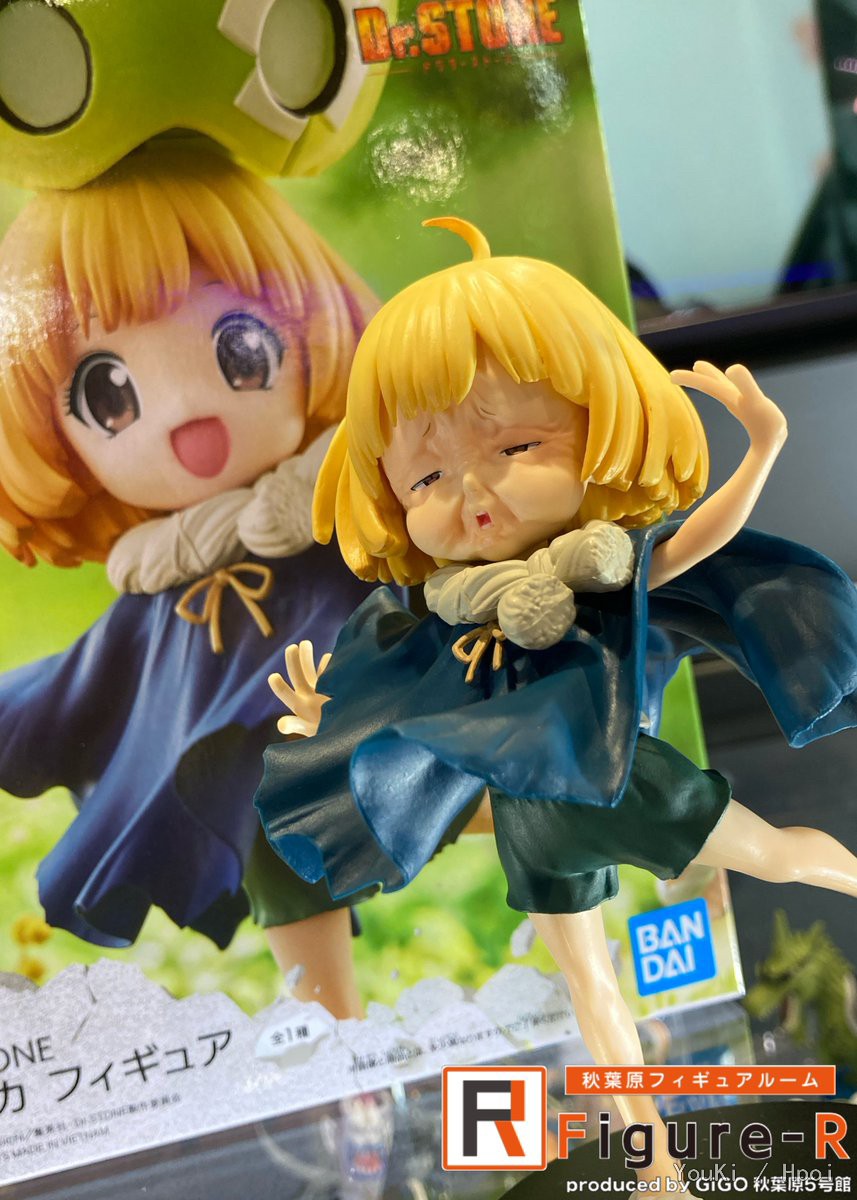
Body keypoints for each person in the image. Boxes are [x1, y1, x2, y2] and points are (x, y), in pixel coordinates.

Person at [256, 217, 857, 1183]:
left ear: (603, 421)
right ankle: (657, 1167)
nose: (472, 492)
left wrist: (762, 447)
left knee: (777, 855)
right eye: (426, 476)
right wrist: (314, 718)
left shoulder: (599, 568)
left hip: (620, 777)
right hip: (534, 824)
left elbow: (696, 542)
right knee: (590, 989)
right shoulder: (437, 611)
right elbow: (379, 703)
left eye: (516, 444)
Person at [0, 140, 381, 1018]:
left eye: (239, 347)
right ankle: (333, 1024)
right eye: (110, 396)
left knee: (489, 781)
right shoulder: (163, 587)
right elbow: (82, 682)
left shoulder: (341, 510)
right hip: (266, 776)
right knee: (274, 837)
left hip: (387, 716)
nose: (183, 414)